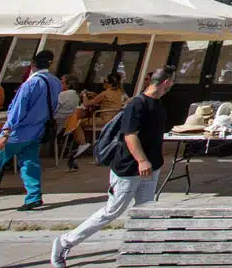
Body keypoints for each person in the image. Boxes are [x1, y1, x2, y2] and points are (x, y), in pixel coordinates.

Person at [50, 67, 173, 267]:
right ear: (166, 82)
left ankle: (140, 249)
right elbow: (129, 135)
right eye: (172, 81)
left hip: (151, 167)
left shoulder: (158, 105)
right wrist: (142, 160)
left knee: (145, 209)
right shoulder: (137, 104)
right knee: (113, 210)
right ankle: (65, 242)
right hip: (129, 167)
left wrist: (153, 161)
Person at [0, 50, 60, 214]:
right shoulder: (55, 82)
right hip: (38, 130)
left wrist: (5, 133)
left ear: (33, 65)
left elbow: (18, 110)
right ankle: (34, 196)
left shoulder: (30, 84)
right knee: (30, 163)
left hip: (17, 133)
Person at [66, 72, 126, 163]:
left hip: (103, 120)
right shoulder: (119, 93)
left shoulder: (105, 93)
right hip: (113, 120)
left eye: (105, 82)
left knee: (76, 122)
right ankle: (84, 146)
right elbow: (107, 102)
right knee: (86, 120)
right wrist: (95, 95)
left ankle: (83, 143)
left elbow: (87, 104)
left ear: (109, 84)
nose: (103, 83)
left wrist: (84, 95)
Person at [55, 76, 81, 170]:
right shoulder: (76, 96)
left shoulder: (64, 95)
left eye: (61, 82)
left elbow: (53, 106)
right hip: (61, 126)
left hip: (51, 127)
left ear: (68, 84)